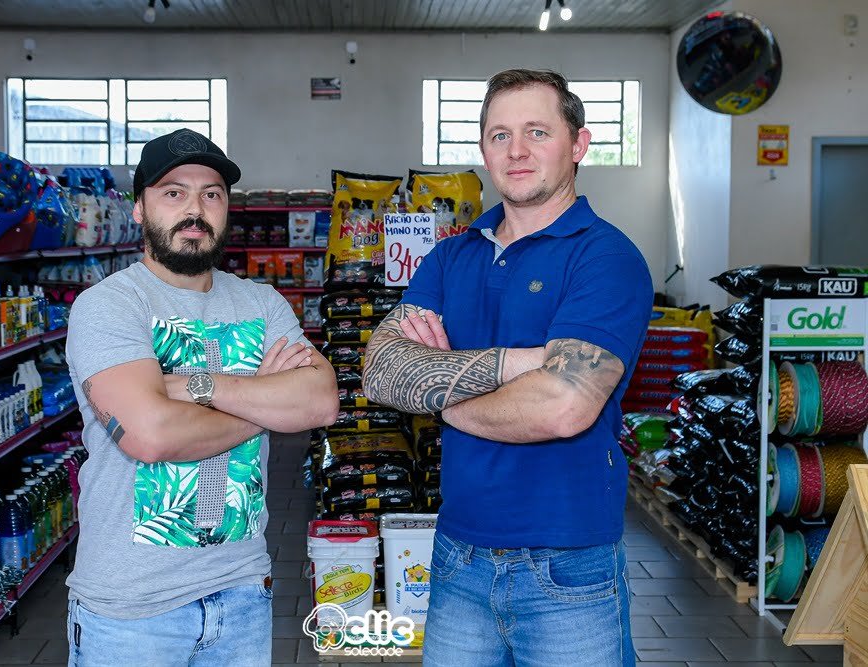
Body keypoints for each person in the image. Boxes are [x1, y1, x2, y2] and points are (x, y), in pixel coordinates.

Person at [362, 69, 653, 666]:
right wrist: (533, 363)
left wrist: (439, 392)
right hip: (457, 554)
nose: (516, 150)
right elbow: (382, 371)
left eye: (537, 132)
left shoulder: (606, 257)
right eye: (500, 135)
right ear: (484, 150)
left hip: (568, 566)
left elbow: (564, 406)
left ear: (578, 144)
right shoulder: (450, 256)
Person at [64, 128, 339, 666]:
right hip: (131, 612)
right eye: (174, 192)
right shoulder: (109, 306)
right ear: (139, 208)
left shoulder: (261, 303)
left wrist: (190, 387)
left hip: (243, 595)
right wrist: (264, 406)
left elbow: (321, 401)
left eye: (211, 194)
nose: (195, 209)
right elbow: (151, 435)